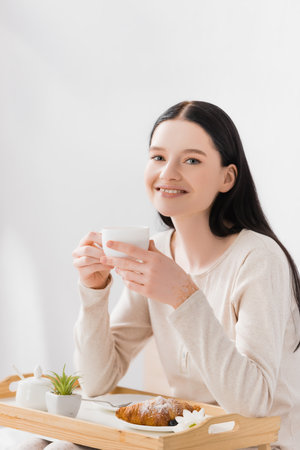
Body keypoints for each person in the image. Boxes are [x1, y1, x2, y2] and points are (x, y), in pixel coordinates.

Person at [72, 100, 300, 450]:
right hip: (186, 441)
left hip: (257, 444)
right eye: (158, 157)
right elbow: (96, 381)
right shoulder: (158, 254)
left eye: (191, 160)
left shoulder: (258, 258)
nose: (168, 173)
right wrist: (94, 290)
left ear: (228, 177)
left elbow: (253, 403)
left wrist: (183, 295)